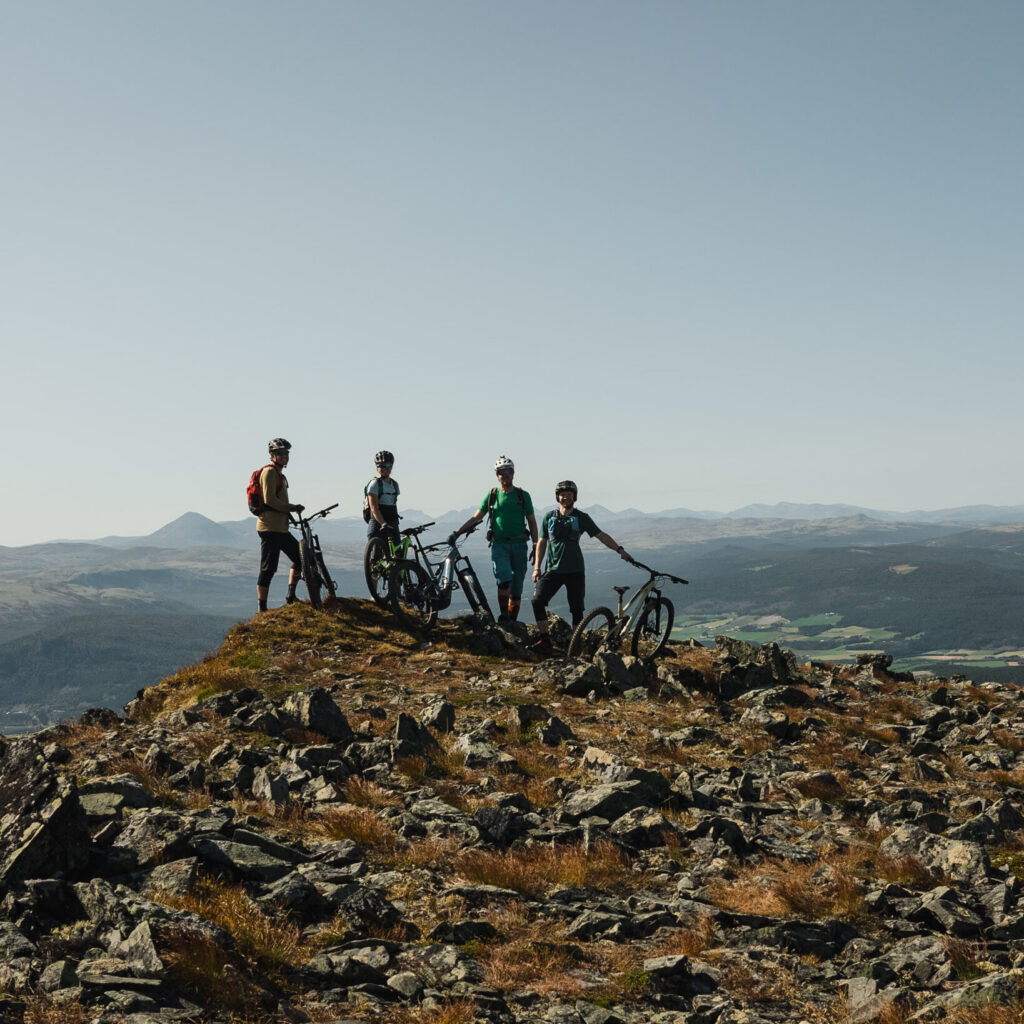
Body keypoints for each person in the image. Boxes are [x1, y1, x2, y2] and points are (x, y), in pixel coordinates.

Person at [531, 479, 632, 653]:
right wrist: (537, 567)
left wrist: (619, 550)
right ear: (557, 497)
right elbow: (541, 542)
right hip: (552, 570)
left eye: (569, 495)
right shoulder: (549, 517)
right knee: (537, 601)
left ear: (574, 497)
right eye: (562, 495)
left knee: (577, 610)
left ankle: (575, 646)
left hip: (575, 571)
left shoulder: (581, 517)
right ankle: (545, 639)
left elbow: (601, 535)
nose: (565, 498)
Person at [449, 456, 538, 622]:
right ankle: (504, 616)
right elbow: (476, 517)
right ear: (497, 475)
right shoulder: (492, 495)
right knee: (503, 579)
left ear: (513, 473)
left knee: (517, 587)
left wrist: (535, 544)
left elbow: (532, 522)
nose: (505, 475)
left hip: (519, 544)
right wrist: (457, 532)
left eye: (508, 471)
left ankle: (512, 621)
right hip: (499, 544)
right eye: (501, 472)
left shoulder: (523, 495)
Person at [256, 438, 305, 613]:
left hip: (280, 528)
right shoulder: (269, 472)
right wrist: (292, 508)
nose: (284, 456)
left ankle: (291, 596)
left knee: (301, 559)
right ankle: (262, 608)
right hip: (269, 528)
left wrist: (290, 512)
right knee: (268, 568)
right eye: (280, 453)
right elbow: (270, 500)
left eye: (286, 453)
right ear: (272, 455)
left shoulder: (279, 474)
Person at [364, 450, 400, 544]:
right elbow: (374, 508)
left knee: (397, 550)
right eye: (382, 465)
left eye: (388, 465)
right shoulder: (374, 484)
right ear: (377, 467)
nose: (385, 468)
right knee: (376, 550)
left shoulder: (394, 484)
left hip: (392, 520)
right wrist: (383, 523)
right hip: (377, 522)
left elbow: (393, 503)